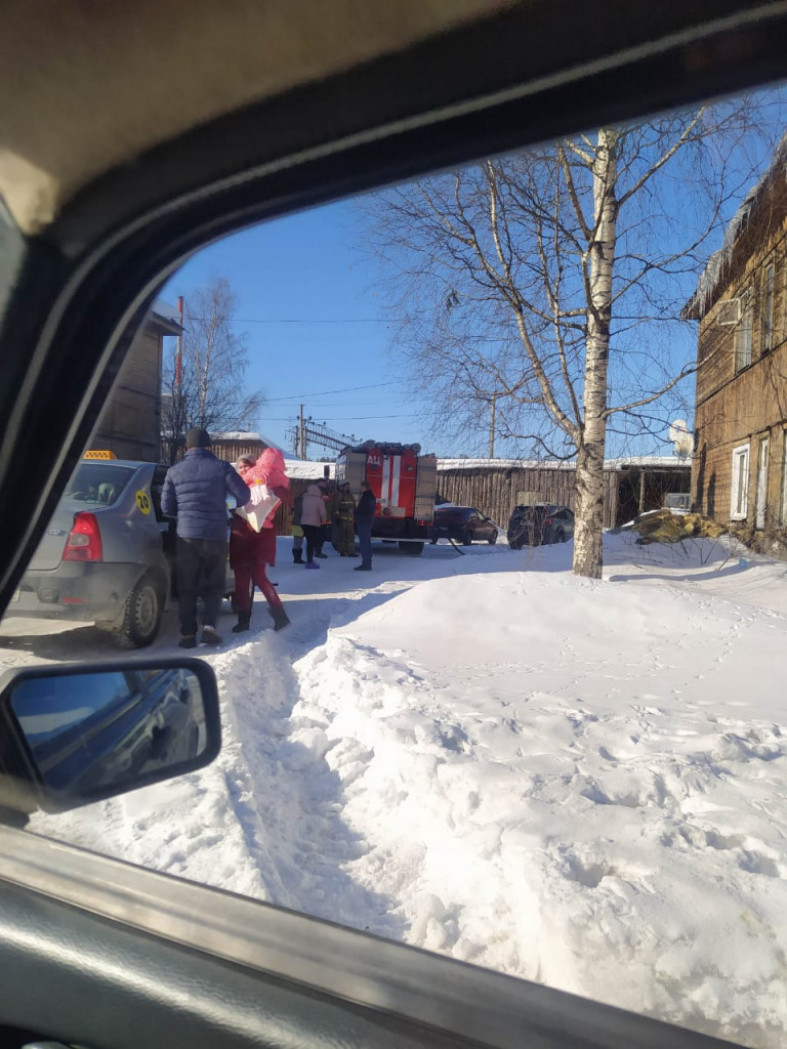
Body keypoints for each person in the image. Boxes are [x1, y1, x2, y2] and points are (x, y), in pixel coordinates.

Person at [162, 427, 251, 648]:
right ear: (209, 446)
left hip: (186, 536)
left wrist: (184, 511)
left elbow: (166, 506)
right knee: (213, 585)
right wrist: (226, 503)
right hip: (215, 535)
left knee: (187, 586)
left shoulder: (174, 471)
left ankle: (187, 635)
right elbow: (244, 495)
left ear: (187, 447)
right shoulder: (221, 468)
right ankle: (209, 629)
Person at [230, 448, 293, 633]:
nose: (243, 470)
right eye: (240, 467)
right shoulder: (237, 485)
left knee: (258, 577)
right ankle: (244, 620)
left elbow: (287, 496)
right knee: (241, 581)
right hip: (241, 534)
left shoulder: (262, 481)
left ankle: (279, 615)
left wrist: (272, 490)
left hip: (259, 535)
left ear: (254, 466)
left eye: (246, 466)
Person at [300, 482, 327, 568]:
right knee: (312, 542)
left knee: (309, 542)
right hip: (314, 523)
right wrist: (324, 520)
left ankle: (309, 560)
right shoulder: (319, 500)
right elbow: (323, 512)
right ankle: (310, 562)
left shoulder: (305, 499)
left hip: (304, 523)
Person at [354, 479, 375, 571]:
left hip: (364, 522)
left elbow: (364, 510)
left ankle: (366, 564)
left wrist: (356, 513)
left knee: (364, 543)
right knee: (366, 543)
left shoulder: (366, 497)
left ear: (364, 487)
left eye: (361, 487)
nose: (360, 489)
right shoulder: (370, 496)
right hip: (367, 521)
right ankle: (367, 562)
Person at [331, 482, 357, 556]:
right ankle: (342, 551)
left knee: (351, 536)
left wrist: (354, 515)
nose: (348, 488)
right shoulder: (339, 495)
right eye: (346, 486)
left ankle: (351, 551)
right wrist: (337, 517)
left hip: (350, 518)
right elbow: (335, 507)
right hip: (342, 518)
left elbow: (353, 505)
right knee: (342, 536)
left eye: (348, 486)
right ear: (342, 487)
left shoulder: (350, 495)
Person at [291, 491, 305, 564]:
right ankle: (297, 558)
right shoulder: (299, 501)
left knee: (299, 541)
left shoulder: (298, 501)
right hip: (298, 523)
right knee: (297, 540)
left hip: (300, 523)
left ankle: (298, 558)